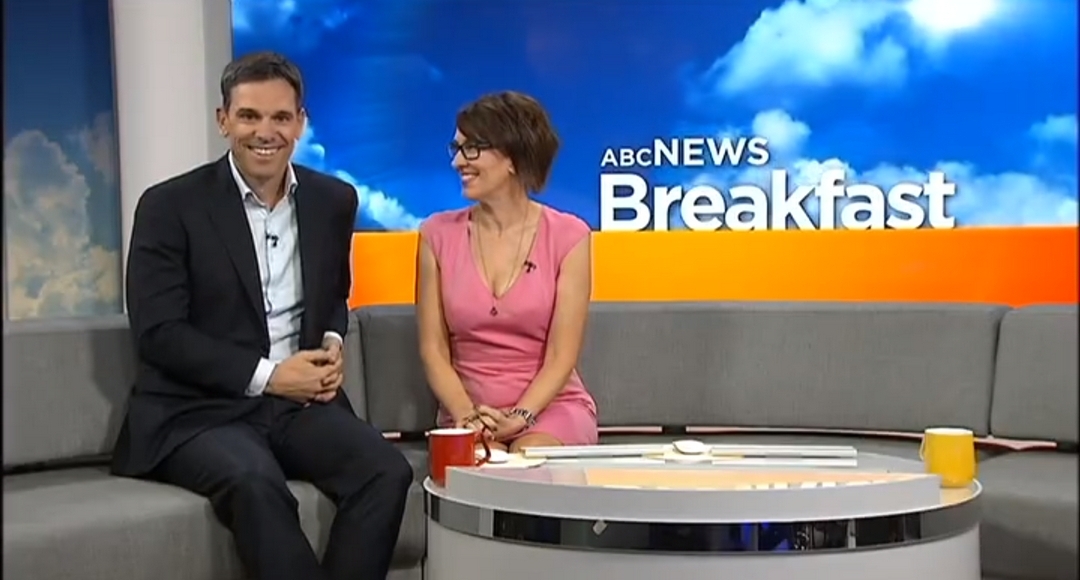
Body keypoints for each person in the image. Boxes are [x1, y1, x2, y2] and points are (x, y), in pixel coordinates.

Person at [110, 51, 412, 580]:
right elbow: (159, 334)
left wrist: (332, 341)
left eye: (280, 117)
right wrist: (271, 376)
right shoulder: (169, 206)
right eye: (249, 116)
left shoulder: (332, 200)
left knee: (386, 471)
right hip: (197, 411)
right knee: (256, 483)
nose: (264, 132)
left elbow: (333, 295)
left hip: (300, 408)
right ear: (223, 120)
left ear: (300, 123)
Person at [415, 90, 598, 452]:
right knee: (488, 467)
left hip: (549, 409)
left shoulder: (570, 236)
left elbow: (562, 355)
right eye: (457, 148)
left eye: (472, 149)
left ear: (513, 158)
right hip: (468, 412)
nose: (458, 162)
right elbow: (433, 348)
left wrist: (521, 416)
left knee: (531, 460)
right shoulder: (436, 234)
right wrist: (467, 417)